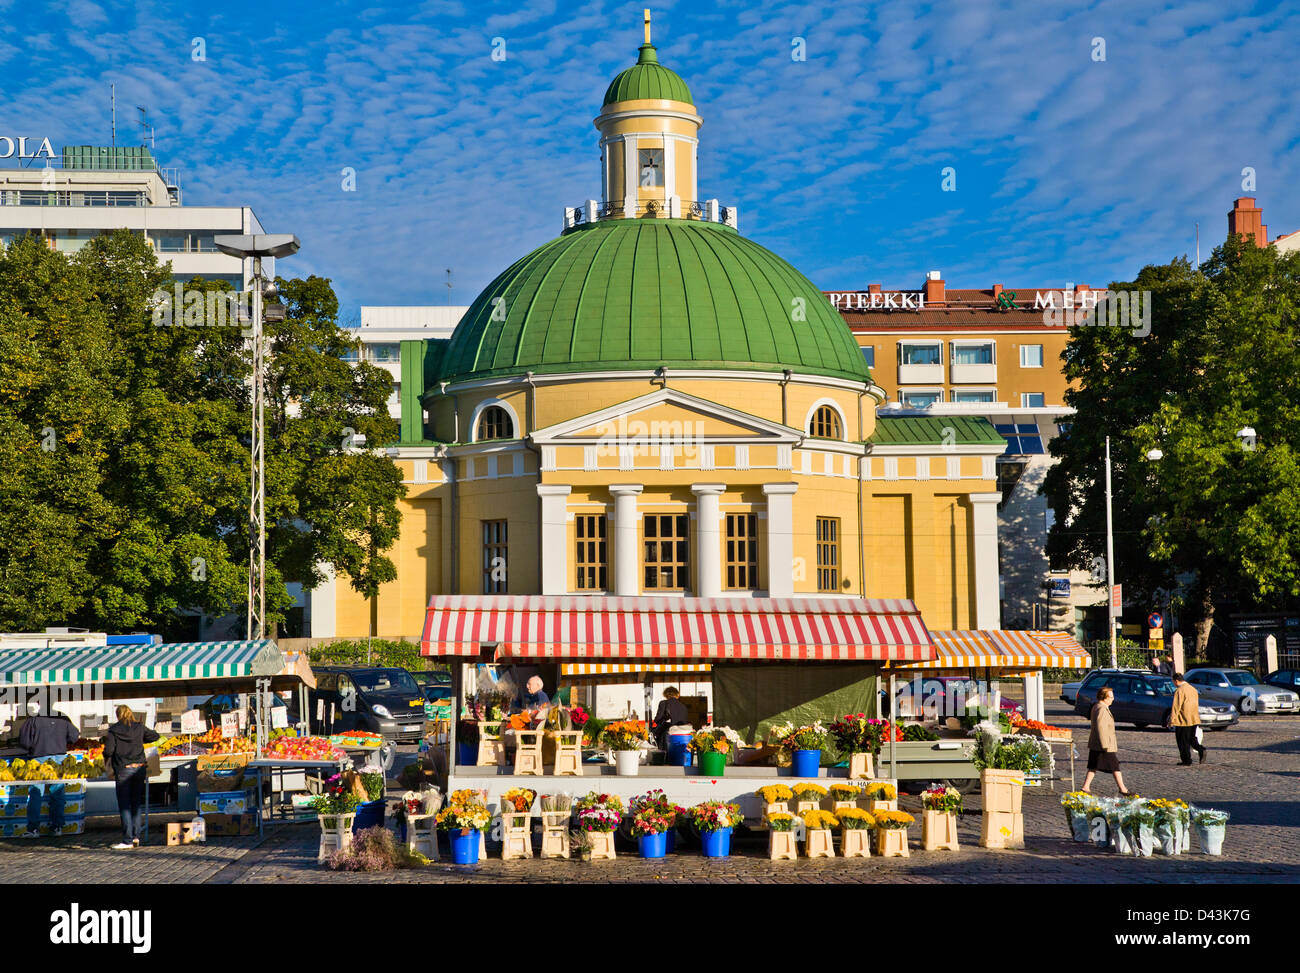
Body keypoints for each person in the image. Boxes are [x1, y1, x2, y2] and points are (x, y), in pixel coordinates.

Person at [18, 700, 79, 839]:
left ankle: (33, 829)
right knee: (57, 793)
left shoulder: (33, 720)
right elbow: (74, 736)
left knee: (35, 793)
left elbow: (24, 741)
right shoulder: (63, 718)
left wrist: (33, 746)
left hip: (38, 758)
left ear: (39, 704)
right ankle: (57, 827)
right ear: (53, 703)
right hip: (59, 758)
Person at [102, 704, 159, 850]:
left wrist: (107, 757)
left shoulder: (114, 730)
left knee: (124, 805)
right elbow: (155, 735)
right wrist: (140, 740)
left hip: (123, 769)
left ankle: (127, 840)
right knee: (135, 803)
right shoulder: (139, 727)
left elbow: (108, 750)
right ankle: (136, 836)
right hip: (139, 768)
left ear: (118, 715)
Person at [1081, 687, 1130, 795]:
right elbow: (1101, 728)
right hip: (1104, 744)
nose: (1113, 699)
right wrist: (1105, 745)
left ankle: (1085, 786)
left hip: (1096, 743)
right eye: (1111, 697)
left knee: (1093, 766)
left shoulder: (1097, 706)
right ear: (1104, 698)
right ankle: (1123, 789)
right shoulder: (1102, 709)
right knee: (1115, 766)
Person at [1171, 672, 1207, 766]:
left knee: (1182, 741)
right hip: (1194, 718)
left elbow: (1176, 706)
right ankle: (1201, 749)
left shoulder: (1180, 690)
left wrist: (1172, 720)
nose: (1173, 684)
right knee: (1191, 738)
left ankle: (1186, 760)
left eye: (1173, 682)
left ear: (1176, 681)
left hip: (1183, 719)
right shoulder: (1192, 689)